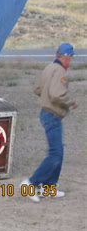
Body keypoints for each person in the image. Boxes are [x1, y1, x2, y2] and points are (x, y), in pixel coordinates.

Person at [20, 43, 77, 202]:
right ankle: (30, 183)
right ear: (65, 56)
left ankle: (48, 187)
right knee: (55, 154)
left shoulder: (49, 67)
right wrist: (70, 102)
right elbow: (56, 94)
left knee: (58, 152)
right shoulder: (60, 71)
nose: (70, 61)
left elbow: (38, 89)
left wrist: (46, 96)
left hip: (46, 113)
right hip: (52, 114)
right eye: (70, 57)